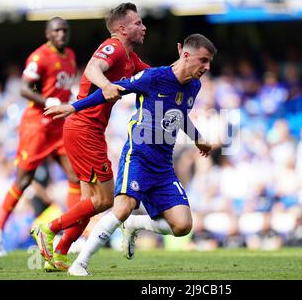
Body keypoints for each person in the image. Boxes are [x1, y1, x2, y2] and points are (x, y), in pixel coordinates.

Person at [44, 33, 216, 276]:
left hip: (163, 166)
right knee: (123, 207)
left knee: (182, 226)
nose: (207, 67)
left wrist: (198, 139)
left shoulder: (194, 86)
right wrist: (74, 106)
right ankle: (80, 263)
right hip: (138, 155)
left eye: (209, 62)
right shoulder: (154, 77)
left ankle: (135, 225)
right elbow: (112, 89)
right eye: (203, 60)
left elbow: (180, 115)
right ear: (186, 55)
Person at [30, 2, 149, 271]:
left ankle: (60, 252)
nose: (144, 27)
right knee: (105, 200)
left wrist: (181, 70)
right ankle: (48, 229)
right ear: (122, 28)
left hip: (88, 130)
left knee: (89, 203)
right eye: (138, 23)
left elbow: (153, 74)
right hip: (84, 130)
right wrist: (106, 84)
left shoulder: (130, 57)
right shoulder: (115, 46)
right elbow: (92, 69)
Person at [0, 17, 81, 260]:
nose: (62, 34)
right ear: (48, 34)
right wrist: (46, 100)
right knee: (24, 180)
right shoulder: (39, 57)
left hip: (58, 125)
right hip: (37, 125)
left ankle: (68, 235)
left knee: (74, 176)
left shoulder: (69, 55)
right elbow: (25, 89)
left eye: (65, 30)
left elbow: (63, 87)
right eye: (57, 30)